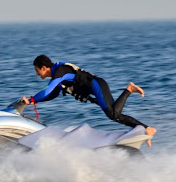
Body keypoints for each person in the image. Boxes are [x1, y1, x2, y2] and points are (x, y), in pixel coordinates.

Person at [21, 55, 157, 147]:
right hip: (96, 88)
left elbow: (47, 90)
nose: (37, 74)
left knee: (113, 114)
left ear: (44, 67)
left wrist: (32, 99)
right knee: (115, 115)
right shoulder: (58, 78)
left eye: (37, 70)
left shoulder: (59, 71)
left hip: (97, 85)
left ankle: (129, 89)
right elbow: (52, 95)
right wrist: (35, 101)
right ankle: (146, 129)